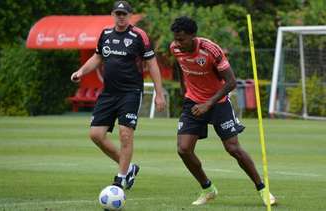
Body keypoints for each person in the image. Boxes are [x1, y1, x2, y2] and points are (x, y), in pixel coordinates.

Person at [169, 16, 276, 206]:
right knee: (184, 149)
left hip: (218, 103)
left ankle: (262, 189)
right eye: (176, 39)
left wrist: (208, 103)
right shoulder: (175, 48)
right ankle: (208, 189)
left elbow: (231, 82)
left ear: (193, 36)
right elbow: (181, 68)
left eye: (181, 39)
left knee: (233, 148)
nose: (178, 43)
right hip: (193, 102)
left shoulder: (211, 50)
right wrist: (182, 90)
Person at [70, 0, 166, 190]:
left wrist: (159, 93)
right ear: (113, 15)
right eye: (118, 13)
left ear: (130, 16)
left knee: (125, 135)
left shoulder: (139, 36)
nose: (121, 17)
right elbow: (97, 57)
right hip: (108, 93)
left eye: (124, 14)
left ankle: (121, 178)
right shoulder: (105, 34)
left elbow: (152, 64)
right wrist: (81, 72)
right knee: (96, 135)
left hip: (130, 92)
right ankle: (129, 168)